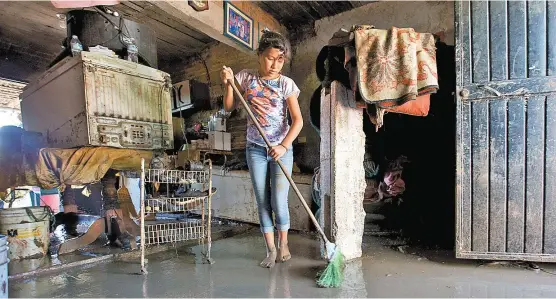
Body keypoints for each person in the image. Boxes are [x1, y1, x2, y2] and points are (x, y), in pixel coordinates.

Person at [220, 29, 303, 268]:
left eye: (280, 59)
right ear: (259, 55)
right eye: (270, 57)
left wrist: (284, 146)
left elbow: (297, 121)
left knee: (279, 200)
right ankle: (270, 249)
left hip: (281, 149)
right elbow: (228, 107)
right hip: (255, 148)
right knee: (262, 200)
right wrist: (227, 84)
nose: (275, 64)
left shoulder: (286, 84)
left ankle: (283, 242)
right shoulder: (246, 79)